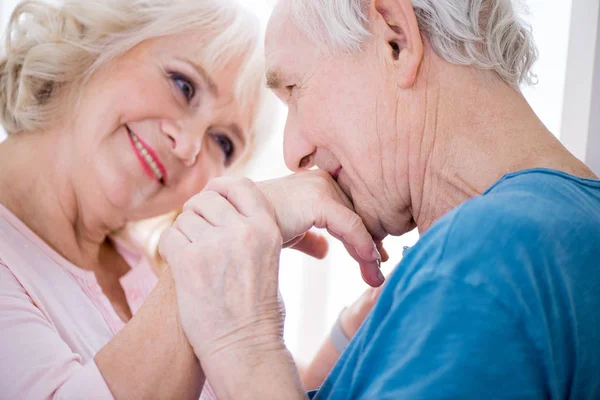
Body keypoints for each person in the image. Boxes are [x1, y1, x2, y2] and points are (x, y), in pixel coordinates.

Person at [159, 0, 600, 398]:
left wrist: (243, 343)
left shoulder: (488, 254)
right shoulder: (561, 234)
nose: (294, 155)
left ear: (396, 39)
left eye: (293, 89)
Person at [0, 0, 377, 398]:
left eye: (222, 142)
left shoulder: (146, 269)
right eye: (183, 85)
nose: (188, 146)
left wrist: (359, 323)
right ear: (99, 42)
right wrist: (226, 235)